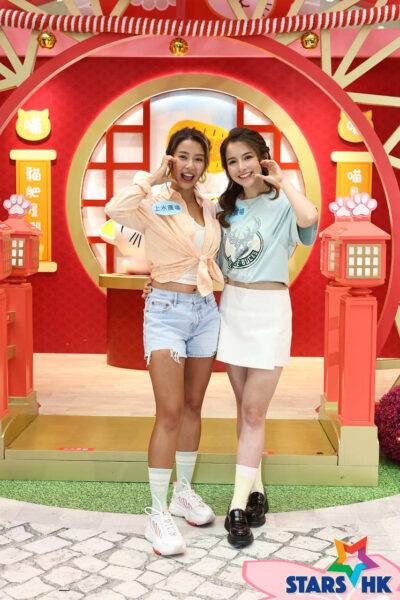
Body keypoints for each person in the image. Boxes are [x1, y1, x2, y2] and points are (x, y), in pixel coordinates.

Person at [105, 127, 224, 556]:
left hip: (206, 311)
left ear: (205, 165)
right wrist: (151, 178)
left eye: (198, 158)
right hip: (165, 312)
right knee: (169, 411)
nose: (190, 165)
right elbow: (114, 209)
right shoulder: (153, 202)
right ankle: (156, 513)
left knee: (193, 405)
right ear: (171, 158)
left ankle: (182, 494)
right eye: (183, 156)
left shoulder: (209, 207)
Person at [216, 127, 318, 548]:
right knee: (246, 410)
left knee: (255, 410)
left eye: (246, 157)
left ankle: (236, 507)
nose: (240, 168)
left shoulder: (283, 202)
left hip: (270, 310)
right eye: (231, 161)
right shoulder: (223, 208)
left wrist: (283, 181)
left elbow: (309, 219)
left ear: (262, 157)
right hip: (232, 309)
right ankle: (256, 492)